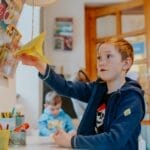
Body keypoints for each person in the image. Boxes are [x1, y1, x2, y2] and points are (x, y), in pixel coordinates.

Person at [17, 37, 145, 149]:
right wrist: (39, 64)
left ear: (126, 63)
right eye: (99, 57)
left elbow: (114, 140)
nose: (101, 62)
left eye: (108, 56)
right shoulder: (98, 89)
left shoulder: (132, 99)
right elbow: (66, 87)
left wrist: (72, 141)